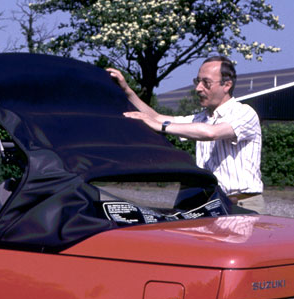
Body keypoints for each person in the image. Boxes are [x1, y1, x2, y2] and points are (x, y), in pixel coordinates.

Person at [108, 56, 265, 213]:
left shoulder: (244, 113)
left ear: (227, 85)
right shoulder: (201, 118)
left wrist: (160, 126)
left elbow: (211, 133)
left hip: (243, 206)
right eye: (197, 81)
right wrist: (127, 91)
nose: (198, 88)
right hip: (211, 204)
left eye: (206, 83)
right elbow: (156, 118)